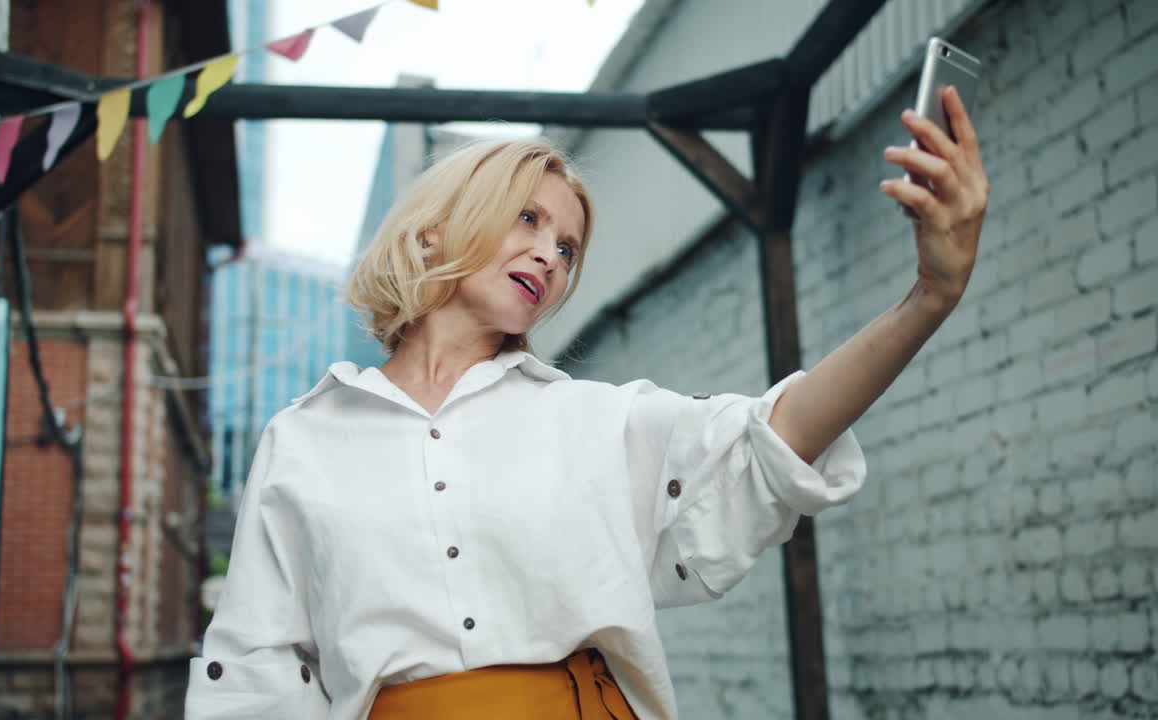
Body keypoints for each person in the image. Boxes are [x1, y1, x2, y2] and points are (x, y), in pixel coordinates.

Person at [184, 85, 988, 720]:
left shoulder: (595, 420)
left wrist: (930, 295)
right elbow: (255, 670)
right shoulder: (305, 439)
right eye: (527, 219)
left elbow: (774, 436)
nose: (549, 255)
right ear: (433, 231)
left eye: (567, 248)